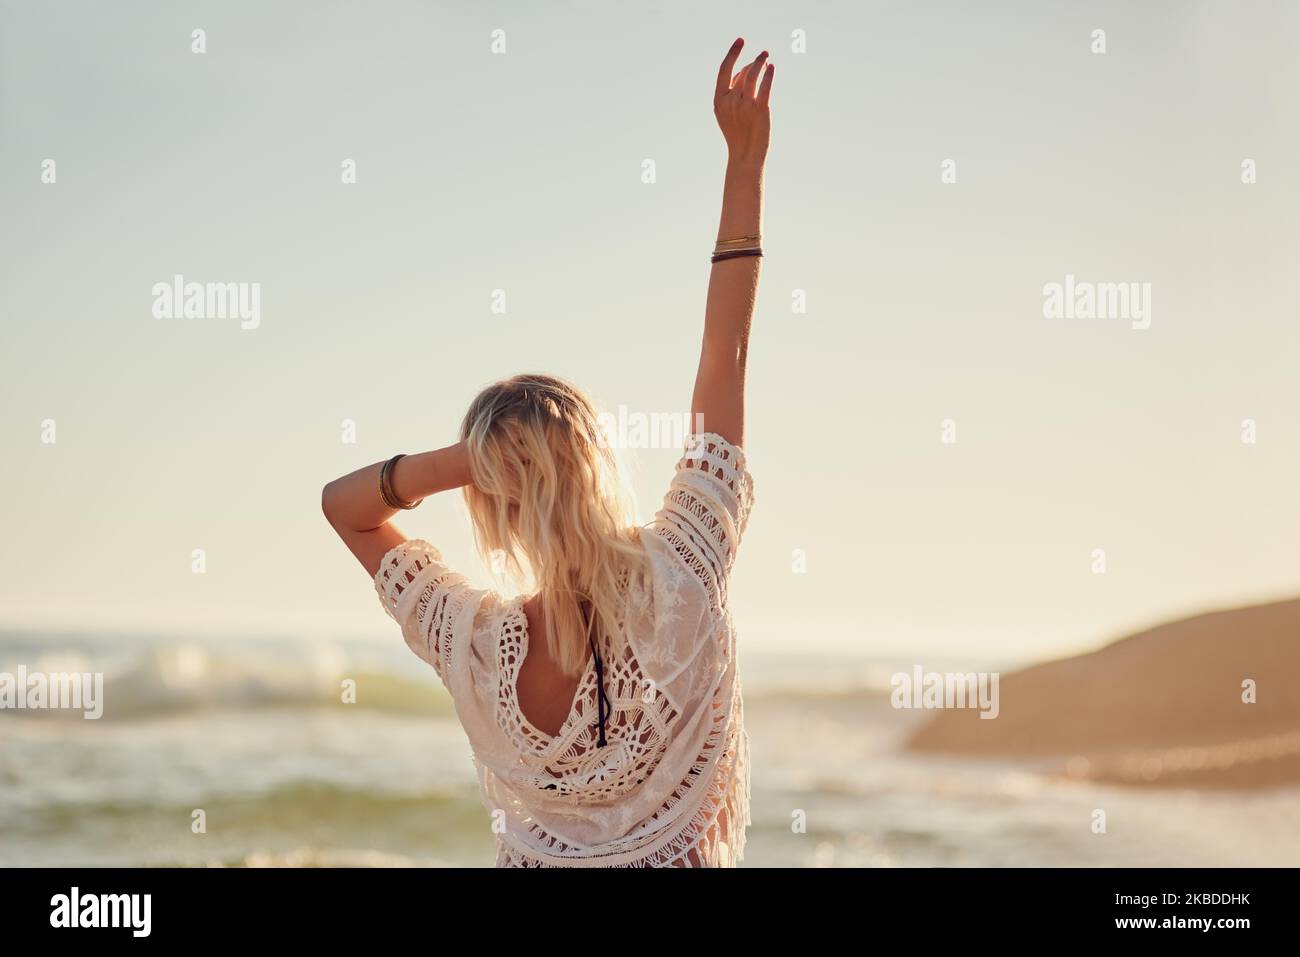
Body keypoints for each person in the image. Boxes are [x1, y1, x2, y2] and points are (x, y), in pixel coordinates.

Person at [322, 38, 771, 866]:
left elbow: (343, 507)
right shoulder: (683, 571)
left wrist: (466, 459)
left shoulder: (476, 645)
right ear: (595, 466)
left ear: (488, 498)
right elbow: (724, 353)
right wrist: (744, 166)